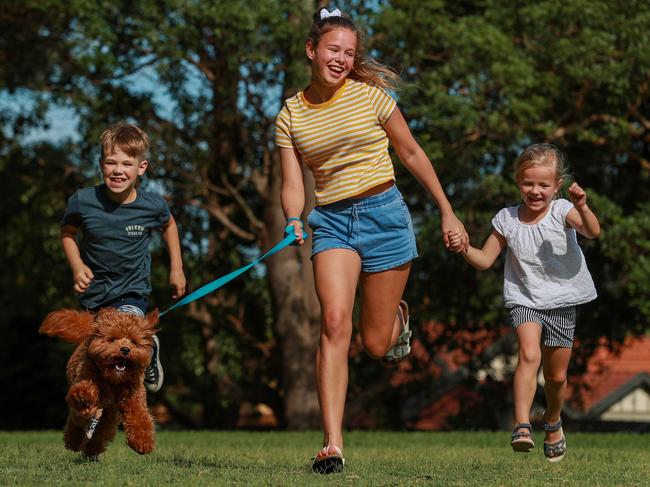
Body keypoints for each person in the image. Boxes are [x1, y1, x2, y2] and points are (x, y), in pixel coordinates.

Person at [275, 7, 467, 473]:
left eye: (349, 52)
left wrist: (446, 211)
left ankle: (397, 319)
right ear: (312, 50)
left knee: (375, 345)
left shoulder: (372, 96)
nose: (341, 59)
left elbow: (411, 152)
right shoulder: (291, 114)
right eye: (333, 49)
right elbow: (294, 181)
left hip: (385, 216)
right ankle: (332, 445)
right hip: (333, 223)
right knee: (334, 324)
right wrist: (294, 218)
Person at [448, 143, 600, 463]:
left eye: (543, 185)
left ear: (556, 186)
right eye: (528, 183)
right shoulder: (506, 219)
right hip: (525, 297)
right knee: (529, 355)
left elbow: (592, 231)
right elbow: (485, 259)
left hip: (561, 299)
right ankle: (521, 426)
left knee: (556, 377)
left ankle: (553, 420)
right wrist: (464, 247)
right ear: (518, 182)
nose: (535, 191)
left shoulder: (561, 211)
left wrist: (583, 206)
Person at [60, 121, 186, 393]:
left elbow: (169, 225)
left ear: (141, 168)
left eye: (127, 164)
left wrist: (177, 268)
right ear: (100, 164)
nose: (118, 170)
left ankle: (146, 348)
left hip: (132, 291)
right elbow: (67, 233)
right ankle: (95, 411)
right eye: (111, 162)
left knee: (125, 335)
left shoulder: (152, 205)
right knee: (97, 358)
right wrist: (77, 265)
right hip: (94, 294)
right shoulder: (83, 201)